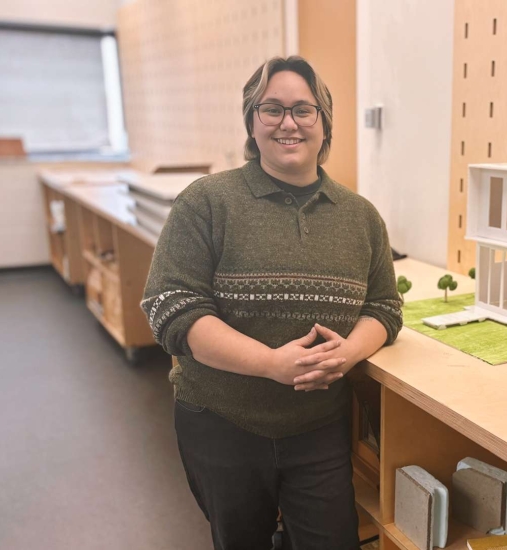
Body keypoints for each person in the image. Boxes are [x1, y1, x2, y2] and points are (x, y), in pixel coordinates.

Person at [140, 56, 402, 549]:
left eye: (304, 110)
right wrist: (270, 363)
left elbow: (384, 308)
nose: (289, 123)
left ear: (324, 125)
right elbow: (172, 307)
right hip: (221, 420)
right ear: (251, 123)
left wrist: (349, 353)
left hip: (319, 424)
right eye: (272, 109)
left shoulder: (360, 217)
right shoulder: (207, 202)